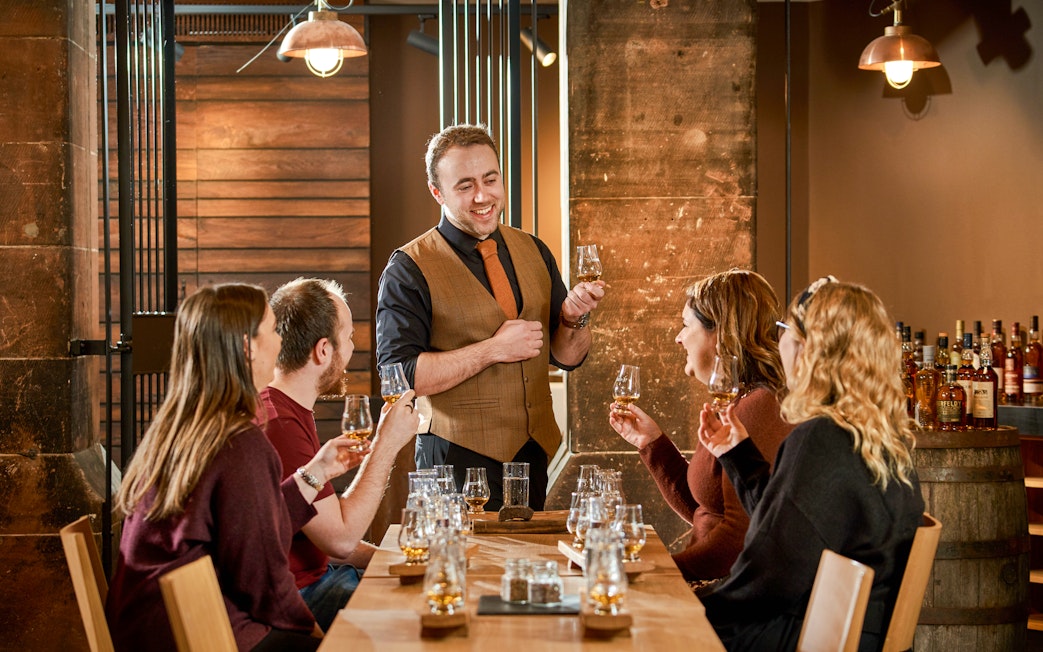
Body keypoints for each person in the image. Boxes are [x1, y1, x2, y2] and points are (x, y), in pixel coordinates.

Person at [106, 283, 364, 652]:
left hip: (153, 631)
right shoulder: (241, 442)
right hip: (208, 636)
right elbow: (263, 581)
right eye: (273, 330)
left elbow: (248, 523)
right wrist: (317, 635)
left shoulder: (188, 427)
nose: (281, 343)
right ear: (248, 347)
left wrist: (315, 473)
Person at [376, 123, 606, 510]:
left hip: (532, 454)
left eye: (490, 179)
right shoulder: (408, 268)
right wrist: (492, 350)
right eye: (465, 186)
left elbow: (567, 357)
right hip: (453, 459)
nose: (483, 196)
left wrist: (573, 319)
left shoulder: (534, 250)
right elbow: (398, 377)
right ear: (437, 192)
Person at [697, 277, 925, 651]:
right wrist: (737, 453)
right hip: (853, 638)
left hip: (808, 636)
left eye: (783, 330)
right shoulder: (882, 441)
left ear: (807, 349)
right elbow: (791, 530)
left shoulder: (821, 438)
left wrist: (687, 607)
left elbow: (768, 578)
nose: (780, 343)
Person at [608, 269, 792, 587]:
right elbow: (707, 510)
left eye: (686, 325)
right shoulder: (742, 400)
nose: (678, 338)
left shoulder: (760, 407)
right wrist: (652, 443)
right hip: (712, 583)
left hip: (728, 595)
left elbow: (737, 541)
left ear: (720, 334)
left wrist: (657, 571)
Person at [262, 277, 419, 631]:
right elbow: (342, 540)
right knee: (420, 614)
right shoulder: (280, 425)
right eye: (348, 337)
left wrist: (390, 559)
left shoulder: (287, 410)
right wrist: (386, 444)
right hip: (299, 597)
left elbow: (325, 534)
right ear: (323, 350)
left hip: (320, 577)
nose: (352, 348)